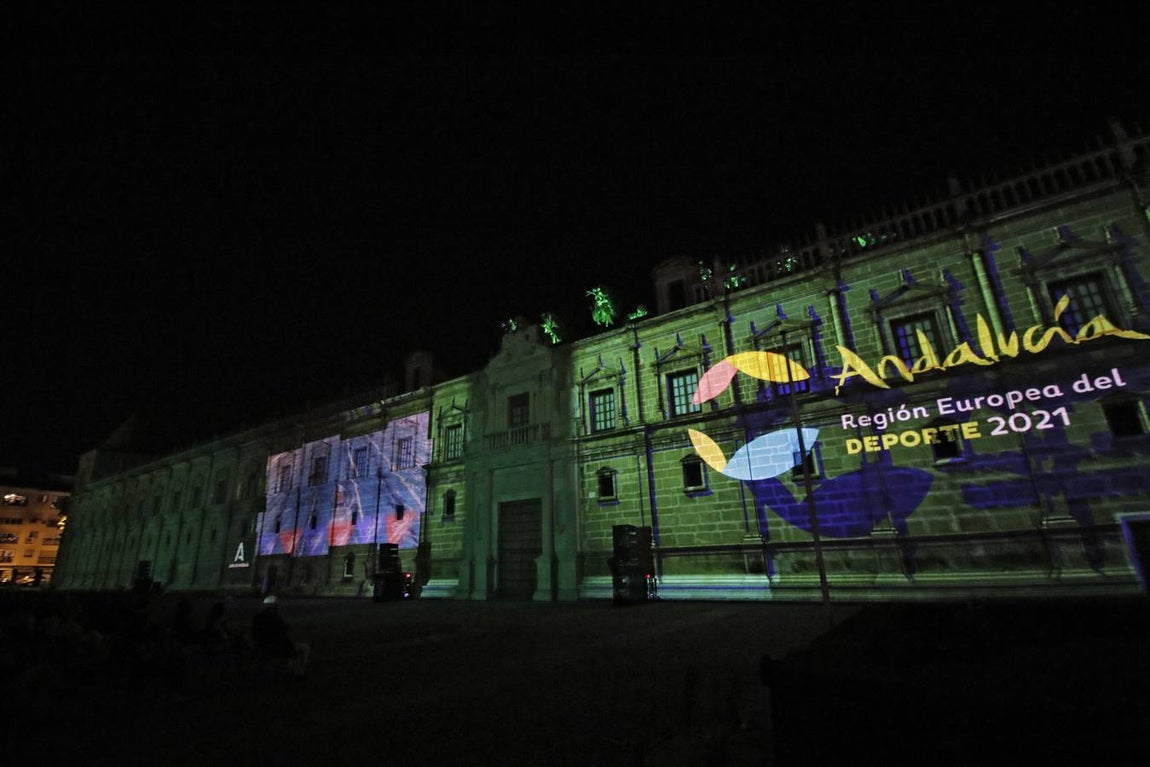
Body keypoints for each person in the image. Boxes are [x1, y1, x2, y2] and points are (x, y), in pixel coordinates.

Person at [250, 595, 309, 678]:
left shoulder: (257, 618)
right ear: (274, 607)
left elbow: (254, 633)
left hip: (261, 647)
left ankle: (287, 671)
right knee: (303, 648)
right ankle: (298, 674)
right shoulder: (275, 619)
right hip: (276, 648)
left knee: (288, 648)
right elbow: (282, 633)